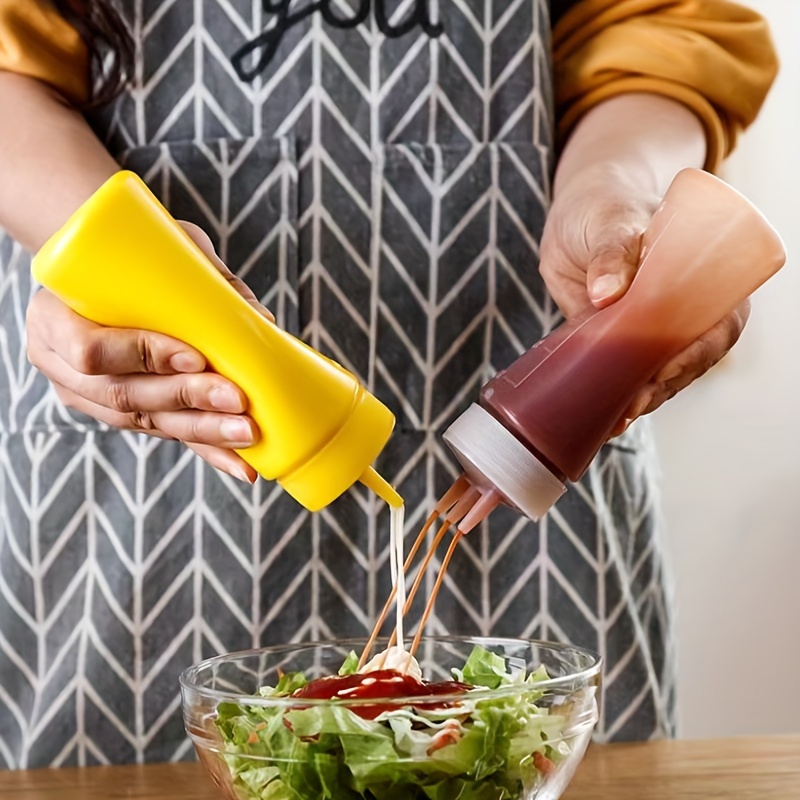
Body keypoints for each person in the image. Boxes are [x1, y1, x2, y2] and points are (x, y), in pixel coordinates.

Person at [0, 0, 777, 769]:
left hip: (527, 464)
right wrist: (98, 248)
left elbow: (662, 27)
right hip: (140, 498)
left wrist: (617, 198)